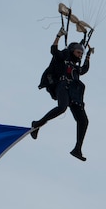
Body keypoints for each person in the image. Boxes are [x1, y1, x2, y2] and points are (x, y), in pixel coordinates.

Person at [31, 28, 93, 161]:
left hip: (74, 93)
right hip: (62, 86)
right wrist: (58, 36)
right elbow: (54, 51)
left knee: (83, 120)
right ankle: (37, 124)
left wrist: (88, 55)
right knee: (62, 108)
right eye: (78, 52)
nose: (80, 55)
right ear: (72, 51)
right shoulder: (63, 58)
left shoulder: (76, 68)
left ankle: (77, 149)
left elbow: (84, 69)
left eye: (81, 54)